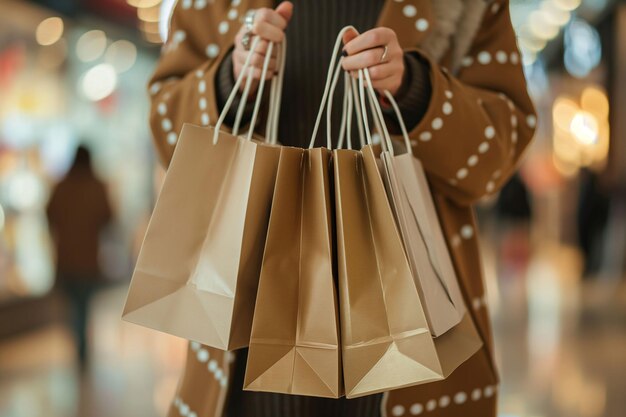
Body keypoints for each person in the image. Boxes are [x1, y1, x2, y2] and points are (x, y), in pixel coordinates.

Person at [147, 0, 537, 416]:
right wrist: (230, 79)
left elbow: (497, 154)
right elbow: (165, 130)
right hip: (249, 324)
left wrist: (415, 89)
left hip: (407, 321)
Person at [46, 145, 113, 370]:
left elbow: (49, 215)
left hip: (66, 259)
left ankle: (79, 347)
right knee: (84, 307)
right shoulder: (96, 186)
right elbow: (108, 217)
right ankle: (82, 349)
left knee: (71, 306)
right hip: (88, 260)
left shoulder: (62, 187)